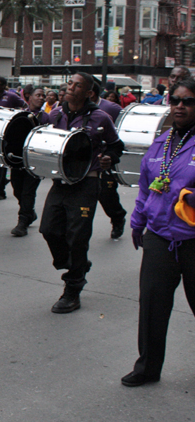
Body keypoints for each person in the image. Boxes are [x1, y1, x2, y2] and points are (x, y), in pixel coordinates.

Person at [122, 79, 195, 387]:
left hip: (192, 241)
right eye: (175, 100)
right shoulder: (162, 141)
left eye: (188, 101)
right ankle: (148, 367)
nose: (180, 105)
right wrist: (138, 222)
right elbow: (146, 187)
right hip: (159, 238)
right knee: (152, 304)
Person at [39, 72, 124, 314]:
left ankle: (72, 290)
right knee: (48, 229)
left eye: (78, 86)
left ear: (88, 93)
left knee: (78, 236)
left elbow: (116, 145)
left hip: (87, 182)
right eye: (70, 83)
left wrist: (109, 158)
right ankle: (77, 263)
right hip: (60, 182)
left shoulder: (101, 118)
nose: (71, 88)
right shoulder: (55, 115)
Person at [9, 85, 48, 237]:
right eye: (38, 95)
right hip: (19, 160)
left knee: (28, 192)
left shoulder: (46, 117)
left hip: (35, 161)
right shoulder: (20, 114)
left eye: (42, 96)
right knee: (17, 189)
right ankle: (30, 213)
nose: (41, 98)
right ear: (29, 97)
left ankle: (23, 222)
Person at [93, 83, 127, 239]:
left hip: (104, 159)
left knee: (107, 195)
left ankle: (118, 217)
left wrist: (111, 156)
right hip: (81, 162)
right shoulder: (66, 110)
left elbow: (122, 132)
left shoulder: (111, 109)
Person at [0, 77, 25, 200]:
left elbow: (24, 105)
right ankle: (0, 182)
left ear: (3, 86)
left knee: (1, 161)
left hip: (7, 133)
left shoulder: (11, 97)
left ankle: (0, 191)